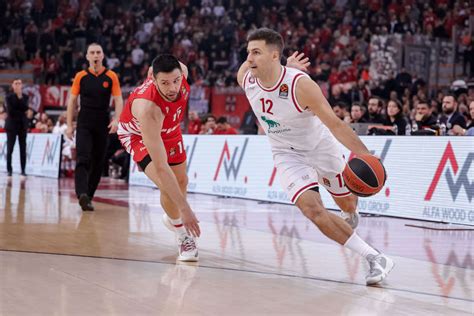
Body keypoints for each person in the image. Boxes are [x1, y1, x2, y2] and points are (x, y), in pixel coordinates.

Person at [237, 28, 394, 285]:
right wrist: (269, 62)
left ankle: (348, 216)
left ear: (275, 55)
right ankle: (375, 257)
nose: (249, 58)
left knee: (348, 206)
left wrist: (366, 155)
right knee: (313, 210)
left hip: (321, 147)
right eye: (248, 52)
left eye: (256, 52)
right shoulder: (246, 78)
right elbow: (246, 68)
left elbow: (335, 124)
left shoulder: (301, 85)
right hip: (286, 154)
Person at [117, 54, 200, 262]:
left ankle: (172, 217)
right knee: (167, 184)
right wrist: (185, 209)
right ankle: (182, 236)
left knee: (181, 182)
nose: (172, 88)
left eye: (176, 81)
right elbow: (162, 168)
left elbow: (174, 70)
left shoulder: (181, 71)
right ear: (153, 79)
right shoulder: (148, 109)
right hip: (139, 135)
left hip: (170, 129)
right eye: (164, 83)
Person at [66, 43, 123, 211]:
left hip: (103, 122)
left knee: (98, 162)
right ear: (87, 56)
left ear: (103, 55)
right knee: (83, 158)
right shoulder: (80, 76)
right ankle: (82, 193)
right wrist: (70, 125)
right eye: (92, 52)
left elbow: (119, 99)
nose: (96, 55)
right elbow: (72, 101)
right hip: (84, 121)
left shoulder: (111, 76)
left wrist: (117, 119)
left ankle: (88, 196)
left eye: (98, 52)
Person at [5, 79, 29, 177]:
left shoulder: (25, 97)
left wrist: (20, 97)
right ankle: (9, 170)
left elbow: (25, 108)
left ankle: (23, 170)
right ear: (13, 85)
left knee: (23, 149)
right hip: (11, 125)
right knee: (10, 148)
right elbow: (10, 111)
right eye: (16, 83)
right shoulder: (8, 97)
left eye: (19, 83)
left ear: (22, 85)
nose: (18, 85)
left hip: (22, 125)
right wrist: (21, 111)